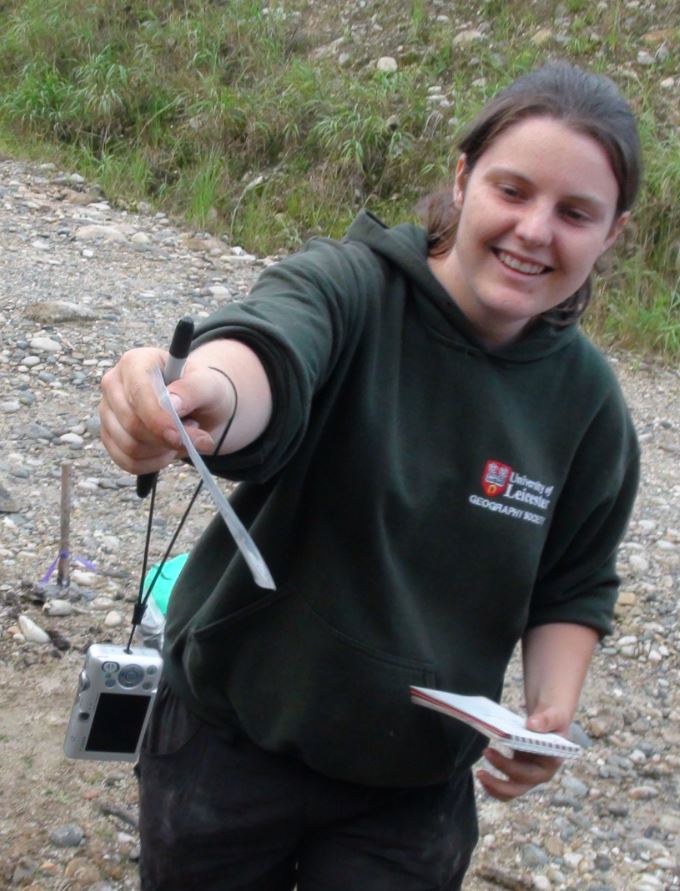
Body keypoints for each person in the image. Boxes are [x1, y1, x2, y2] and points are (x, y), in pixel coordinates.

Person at [99, 61, 641, 891]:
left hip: (409, 797)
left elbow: (573, 581)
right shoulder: (354, 288)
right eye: (513, 189)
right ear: (462, 180)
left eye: (575, 213)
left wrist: (549, 711)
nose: (536, 231)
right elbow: (271, 351)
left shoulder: (591, 406)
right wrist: (198, 395)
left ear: (613, 235)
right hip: (227, 746)